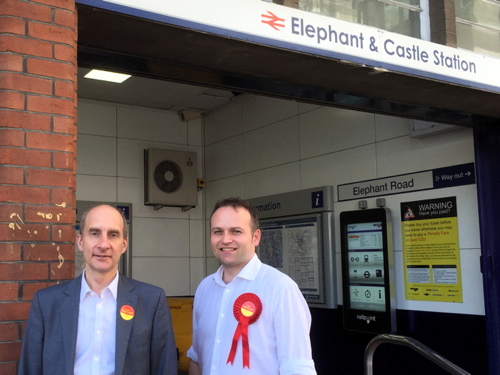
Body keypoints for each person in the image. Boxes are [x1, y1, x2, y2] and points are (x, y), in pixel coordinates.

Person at [18, 204, 178, 375]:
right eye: (94, 233)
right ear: (80, 241)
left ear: (124, 244)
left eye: (113, 235)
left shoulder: (151, 301)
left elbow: (165, 367)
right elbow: (30, 367)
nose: (103, 244)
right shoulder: (47, 303)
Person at [187, 198, 316, 375]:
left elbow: (297, 368)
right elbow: (196, 357)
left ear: (255, 237)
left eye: (236, 231)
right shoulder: (205, 288)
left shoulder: (281, 288)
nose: (225, 240)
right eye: (218, 231)